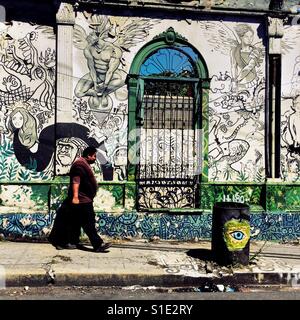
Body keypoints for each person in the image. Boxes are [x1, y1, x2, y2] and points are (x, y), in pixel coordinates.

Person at [49, 146, 111, 252]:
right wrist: (76, 197)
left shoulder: (83, 163)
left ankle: (69, 241)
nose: (95, 158)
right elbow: (76, 181)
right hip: (82, 200)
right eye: (94, 156)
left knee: (74, 221)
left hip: (84, 199)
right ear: (89, 155)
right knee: (88, 222)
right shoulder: (79, 164)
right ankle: (97, 245)